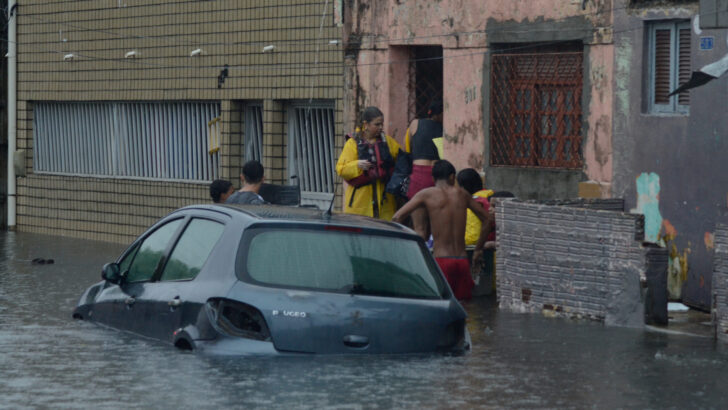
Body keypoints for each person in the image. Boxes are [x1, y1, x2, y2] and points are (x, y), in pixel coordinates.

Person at [392, 160, 492, 300]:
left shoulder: (426, 194)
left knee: (441, 305)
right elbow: (488, 220)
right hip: (462, 261)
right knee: (464, 309)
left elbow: (397, 218)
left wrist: (405, 248)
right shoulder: (462, 194)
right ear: (452, 177)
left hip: (442, 261)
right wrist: (478, 249)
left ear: (433, 178)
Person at [336, 106, 401, 220]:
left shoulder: (388, 142)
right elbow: (341, 169)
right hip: (360, 203)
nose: (381, 127)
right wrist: (356, 165)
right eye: (377, 124)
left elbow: (400, 159)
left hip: (385, 202)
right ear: (366, 125)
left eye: (382, 124)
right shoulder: (352, 143)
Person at [405, 101, 443, 239]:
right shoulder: (446, 128)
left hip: (419, 175)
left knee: (419, 229)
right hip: (438, 177)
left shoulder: (415, 124)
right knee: (436, 230)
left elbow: (408, 147)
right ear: (440, 114)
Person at [456, 168, 495, 247]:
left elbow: (472, 238)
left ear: (464, 187)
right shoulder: (490, 196)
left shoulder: (475, 202)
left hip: (480, 246)